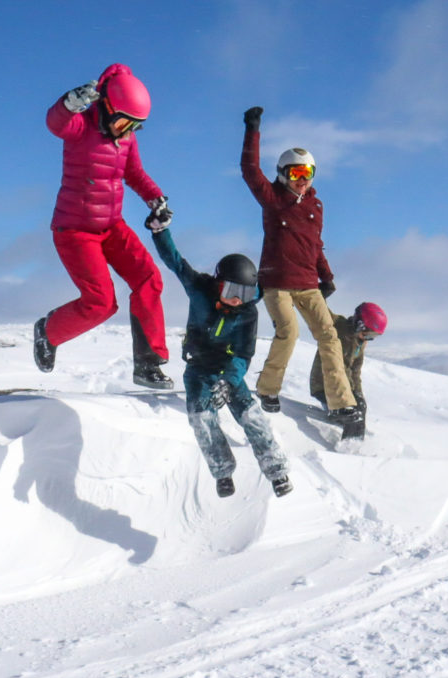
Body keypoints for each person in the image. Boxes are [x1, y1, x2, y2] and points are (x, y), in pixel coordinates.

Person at [33, 63, 173, 389]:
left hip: (111, 226)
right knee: (101, 303)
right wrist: (69, 102)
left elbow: (134, 174)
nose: (126, 131)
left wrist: (156, 200)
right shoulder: (81, 125)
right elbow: (55, 123)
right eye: (124, 122)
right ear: (107, 106)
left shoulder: (125, 139)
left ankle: (148, 365)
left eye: (135, 126)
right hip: (75, 229)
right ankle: (48, 331)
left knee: (149, 278)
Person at [145, 207, 292, 499]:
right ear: (218, 283)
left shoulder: (247, 314)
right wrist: (160, 232)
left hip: (228, 371)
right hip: (199, 370)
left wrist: (228, 381)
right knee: (201, 417)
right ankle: (223, 472)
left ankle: (277, 472)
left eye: (245, 294)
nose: (237, 300)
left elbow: (243, 355)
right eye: (231, 292)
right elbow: (175, 262)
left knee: (251, 416)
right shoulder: (199, 289)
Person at [240, 106, 362, 438]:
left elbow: (315, 243)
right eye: (295, 174)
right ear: (282, 174)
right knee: (288, 333)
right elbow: (250, 170)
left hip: (308, 283)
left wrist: (327, 276)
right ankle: (268, 389)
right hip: (277, 283)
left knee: (330, 336)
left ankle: (341, 403)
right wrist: (253, 130)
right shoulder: (272, 199)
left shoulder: (315, 206)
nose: (302, 180)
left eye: (308, 173)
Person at [310, 302, 388, 433]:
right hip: (324, 384)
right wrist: (320, 295)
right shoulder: (338, 326)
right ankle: (348, 445)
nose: (368, 339)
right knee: (352, 411)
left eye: (373, 336)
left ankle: (355, 443)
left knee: (360, 407)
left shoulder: (360, 342)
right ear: (359, 324)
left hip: (343, 387)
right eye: (368, 333)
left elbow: (355, 371)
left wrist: (358, 393)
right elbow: (321, 311)